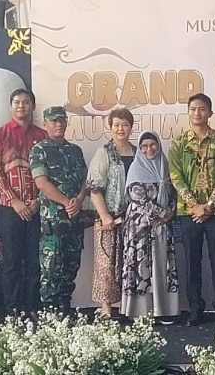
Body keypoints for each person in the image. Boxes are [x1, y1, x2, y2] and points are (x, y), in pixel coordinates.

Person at [168, 93, 215, 325]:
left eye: (202, 109)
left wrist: (208, 205)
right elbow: (175, 177)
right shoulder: (178, 142)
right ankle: (195, 309)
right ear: (188, 112)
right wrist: (194, 205)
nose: (197, 113)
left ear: (210, 113)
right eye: (193, 109)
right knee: (191, 263)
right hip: (188, 213)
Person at [0, 88, 47, 316]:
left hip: (36, 207)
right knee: (11, 261)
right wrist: (14, 201)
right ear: (10, 106)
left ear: (32, 106)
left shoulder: (42, 136)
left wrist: (38, 201)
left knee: (34, 261)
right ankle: (11, 310)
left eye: (26, 102)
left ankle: (32, 308)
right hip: (9, 208)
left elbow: (50, 174)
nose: (21, 106)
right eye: (17, 102)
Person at [29, 106, 87, 313]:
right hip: (53, 219)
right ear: (45, 124)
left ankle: (65, 307)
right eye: (53, 121)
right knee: (51, 266)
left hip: (74, 217)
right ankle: (49, 312)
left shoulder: (75, 150)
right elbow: (42, 183)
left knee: (72, 264)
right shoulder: (39, 150)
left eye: (61, 120)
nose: (58, 124)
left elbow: (84, 181)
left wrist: (79, 200)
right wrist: (66, 202)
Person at [121, 132, 179, 320]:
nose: (149, 149)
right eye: (144, 146)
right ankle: (141, 312)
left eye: (152, 144)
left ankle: (163, 310)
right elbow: (137, 198)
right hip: (140, 228)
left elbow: (174, 193)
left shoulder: (165, 167)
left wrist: (170, 212)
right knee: (142, 265)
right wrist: (163, 214)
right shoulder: (136, 169)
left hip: (162, 227)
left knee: (161, 265)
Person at [87, 108, 136, 316]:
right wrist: (105, 215)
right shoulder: (104, 152)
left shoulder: (138, 152)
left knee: (130, 263)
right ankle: (106, 308)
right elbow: (94, 187)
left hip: (134, 218)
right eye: (116, 125)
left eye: (124, 125)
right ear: (110, 127)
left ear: (131, 127)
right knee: (107, 264)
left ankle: (130, 307)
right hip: (109, 217)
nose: (120, 129)